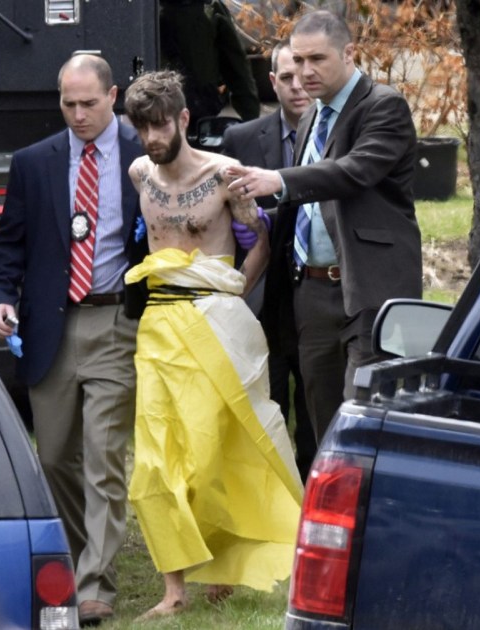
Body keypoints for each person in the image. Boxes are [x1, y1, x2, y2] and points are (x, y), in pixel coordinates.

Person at [122, 70, 303, 621]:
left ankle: (226, 560)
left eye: (159, 125)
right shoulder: (139, 173)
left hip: (214, 320)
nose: (152, 138)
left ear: (181, 119)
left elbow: (263, 243)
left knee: (207, 455)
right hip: (158, 324)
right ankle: (174, 589)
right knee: (155, 461)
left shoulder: (225, 175)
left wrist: (234, 292)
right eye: (142, 128)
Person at [0, 53, 148, 626]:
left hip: (116, 321)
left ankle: (96, 584)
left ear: (113, 96)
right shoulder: (35, 162)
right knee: (54, 456)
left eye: (88, 103)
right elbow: (9, 243)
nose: (77, 114)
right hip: (51, 323)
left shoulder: (140, 157)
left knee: (104, 456)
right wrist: (1, 296)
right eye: (67, 103)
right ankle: (82, 560)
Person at [227, 10, 423, 444]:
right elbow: (311, 211)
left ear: (349, 53)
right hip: (311, 293)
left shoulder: (383, 105)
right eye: (297, 61)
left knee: (363, 428)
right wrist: (256, 218)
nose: (304, 72)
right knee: (324, 429)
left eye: (317, 59)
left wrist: (279, 180)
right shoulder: (311, 118)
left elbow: (352, 172)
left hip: (369, 289)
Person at [221, 40, 315, 482]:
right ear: (272, 82)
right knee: (269, 407)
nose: (299, 86)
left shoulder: (335, 135)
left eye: (305, 74)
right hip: (262, 300)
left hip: (318, 294)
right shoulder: (241, 139)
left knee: (315, 416)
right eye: (287, 77)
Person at [158, 0, 260, 134]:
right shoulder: (142, 9)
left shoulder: (210, 8)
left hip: (198, 110)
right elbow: (236, 67)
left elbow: (236, 67)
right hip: (156, 109)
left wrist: (252, 122)